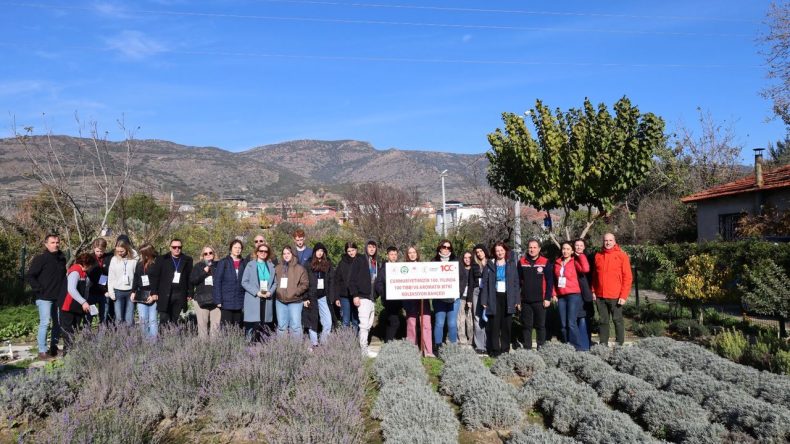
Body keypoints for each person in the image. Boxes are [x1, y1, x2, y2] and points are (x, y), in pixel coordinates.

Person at [26, 234, 66, 360]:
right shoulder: (41, 259)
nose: (56, 244)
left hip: (58, 297)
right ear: (46, 244)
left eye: (57, 242)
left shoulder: (61, 258)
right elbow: (30, 276)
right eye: (53, 242)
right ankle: (42, 351)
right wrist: (39, 289)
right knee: (45, 322)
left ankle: (53, 348)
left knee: (57, 323)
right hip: (44, 297)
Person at [480, 241, 520, 357]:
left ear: (505, 251)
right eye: (497, 250)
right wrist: (484, 301)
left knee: (506, 325)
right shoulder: (490, 264)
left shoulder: (511, 264)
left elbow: (516, 283)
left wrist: (517, 300)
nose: (500, 252)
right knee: (494, 325)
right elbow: (485, 284)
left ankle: (505, 350)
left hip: (508, 298)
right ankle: (495, 350)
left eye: (501, 250)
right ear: (494, 252)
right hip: (494, 297)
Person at [593, 233, 633, 346]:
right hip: (600, 296)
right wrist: (593, 291)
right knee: (603, 321)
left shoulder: (622, 256)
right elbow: (595, 276)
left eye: (610, 240)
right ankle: (603, 345)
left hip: (616, 296)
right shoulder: (598, 255)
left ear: (614, 242)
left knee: (618, 320)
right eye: (606, 240)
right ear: (603, 241)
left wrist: (623, 296)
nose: (608, 242)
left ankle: (619, 344)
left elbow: (628, 277)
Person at [551, 241, 589, 350]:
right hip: (561, 296)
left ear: (572, 251)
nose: (565, 251)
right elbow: (554, 280)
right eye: (563, 249)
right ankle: (567, 345)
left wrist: (579, 255)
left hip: (574, 295)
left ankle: (577, 348)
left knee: (571, 323)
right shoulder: (557, 263)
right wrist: (554, 294)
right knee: (563, 324)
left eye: (568, 249)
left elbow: (586, 269)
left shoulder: (575, 262)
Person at [516, 239, 553, 350]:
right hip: (526, 301)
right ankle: (527, 348)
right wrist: (518, 300)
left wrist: (547, 298)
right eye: (530, 247)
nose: (532, 250)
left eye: (534, 247)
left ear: (539, 249)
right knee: (527, 326)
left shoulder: (545, 262)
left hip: (540, 300)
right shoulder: (522, 262)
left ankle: (541, 346)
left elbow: (550, 281)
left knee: (540, 325)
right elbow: (517, 282)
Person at [59, 252, 97, 354]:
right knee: (68, 331)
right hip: (68, 306)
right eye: (90, 265)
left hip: (77, 306)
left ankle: (71, 352)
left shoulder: (83, 273)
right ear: (86, 264)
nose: (91, 268)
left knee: (74, 329)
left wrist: (85, 302)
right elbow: (71, 289)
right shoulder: (75, 271)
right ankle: (67, 354)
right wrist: (83, 302)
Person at [149, 238, 193, 327]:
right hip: (164, 293)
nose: (177, 249)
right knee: (164, 319)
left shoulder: (187, 260)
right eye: (174, 247)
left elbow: (189, 277)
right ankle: (162, 339)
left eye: (179, 247)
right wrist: (154, 292)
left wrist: (190, 292)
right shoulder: (162, 259)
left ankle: (173, 338)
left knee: (175, 320)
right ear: (170, 248)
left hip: (179, 294)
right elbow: (155, 277)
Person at [241, 242, 276, 341]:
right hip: (254, 298)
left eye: (266, 251)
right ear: (257, 252)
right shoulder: (250, 265)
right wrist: (257, 292)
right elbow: (244, 282)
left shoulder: (271, 266)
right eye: (261, 251)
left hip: (266, 299)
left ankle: (261, 348)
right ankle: (248, 347)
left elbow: (275, 283)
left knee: (264, 325)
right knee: (251, 325)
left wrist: (271, 292)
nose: (263, 253)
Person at [403, 246, 434, 357]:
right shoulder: (403, 267)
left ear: (417, 254)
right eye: (410, 253)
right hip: (409, 299)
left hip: (423, 299)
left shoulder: (423, 266)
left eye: (414, 252)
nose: (412, 254)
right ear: (407, 255)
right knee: (411, 324)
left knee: (426, 324)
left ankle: (428, 351)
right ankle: (411, 350)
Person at [274, 246, 309, 338]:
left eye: (288, 253)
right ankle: (282, 348)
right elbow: (274, 282)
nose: (286, 255)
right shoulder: (278, 268)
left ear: (293, 254)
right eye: (284, 253)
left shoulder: (300, 268)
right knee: (281, 326)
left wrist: (295, 292)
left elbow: (305, 284)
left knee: (295, 326)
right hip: (280, 301)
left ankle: (296, 349)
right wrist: (278, 292)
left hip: (295, 301)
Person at [304, 243, 334, 346]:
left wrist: (331, 296)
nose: (320, 253)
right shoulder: (308, 263)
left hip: (323, 297)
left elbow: (331, 280)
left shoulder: (328, 263)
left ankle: (324, 343)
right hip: (312, 297)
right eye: (318, 251)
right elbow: (305, 281)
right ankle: (314, 344)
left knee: (328, 322)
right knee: (313, 321)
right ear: (314, 252)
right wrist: (305, 297)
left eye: (322, 251)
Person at [432, 239, 460, 351]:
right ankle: (438, 346)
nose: (446, 249)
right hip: (439, 299)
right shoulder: (434, 262)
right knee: (439, 323)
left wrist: (458, 291)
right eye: (444, 247)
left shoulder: (456, 261)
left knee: (452, 323)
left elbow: (462, 279)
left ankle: (453, 347)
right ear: (440, 248)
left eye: (449, 247)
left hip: (454, 299)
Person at [213, 239, 247, 328]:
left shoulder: (244, 263)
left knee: (237, 327)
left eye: (239, 248)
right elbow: (217, 282)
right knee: (226, 327)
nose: (237, 249)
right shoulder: (224, 262)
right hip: (226, 301)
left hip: (239, 300)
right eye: (235, 247)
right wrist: (218, 300)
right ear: (231, 249)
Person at [190, 246, 220, 339]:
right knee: (202, 328)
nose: (208, 255)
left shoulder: (219, 265)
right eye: (205, 253)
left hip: (216, 300)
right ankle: (202, 350)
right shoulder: (198, 266)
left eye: (210, 253)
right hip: (201, 300)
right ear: (202, 255)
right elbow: (193, 280)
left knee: (216, 328)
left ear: (214, 254)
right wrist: (204, 272)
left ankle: (215, 350)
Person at [374, 246, 403, 342]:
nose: (394, 256)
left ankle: (388, 339)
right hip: (388, 299)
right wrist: (385, 293)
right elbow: (378, 284)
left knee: (391, 321)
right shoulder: (384, 268)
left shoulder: (400, 267)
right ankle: (388, 342)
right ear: (387, 256)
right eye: (391, 254)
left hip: (398, 300)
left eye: (395, 254)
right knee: (395, 322)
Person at [107, 240, 137, 326]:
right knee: (119, 318)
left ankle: (130, 337)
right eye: (118, 251)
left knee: (129, 319)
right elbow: (111, 277)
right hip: (118, 292)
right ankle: (120, 337)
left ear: (127, 249)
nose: (120, 253)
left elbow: (136, 276)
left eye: (122, 251)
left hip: (130, 292)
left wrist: (135, 291)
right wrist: (111, 292)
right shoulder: (114, 260)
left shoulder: (133, 260)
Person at [334, 242, 362, 331]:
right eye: (348, 251)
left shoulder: (361, 261)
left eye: (353, 250)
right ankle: (346, 342)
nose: (351, 253)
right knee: (345, 320)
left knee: (356, 320)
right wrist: (337, 297)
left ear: (356, 250)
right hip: (344, 296)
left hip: (357, 295)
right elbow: (337, 280)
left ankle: (355, 340)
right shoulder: (342, 263)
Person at [132, 244, 159, 338]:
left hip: (153, 295)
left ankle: (154, 342)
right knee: (143, 320)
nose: (141, 255)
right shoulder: (139, 264)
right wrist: (133, 291)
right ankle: (146, 342)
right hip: (141, 294)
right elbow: (136, 278)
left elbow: (159, 281)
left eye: (142, 253)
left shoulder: (156, 264)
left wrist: (155, 295)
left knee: (153, 320)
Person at [574, 238, 594, 349]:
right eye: (576, 245)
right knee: (575, 318)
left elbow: (587, 271)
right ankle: (577, 345)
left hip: (585, 292)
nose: (578, 247)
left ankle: (585, 346)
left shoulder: (588, 258)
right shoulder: (570, 258)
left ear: (584, 247)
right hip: (574, 292)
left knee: (584, 318)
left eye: (581, 245)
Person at [86, 238, 111, 325]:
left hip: (104, 293)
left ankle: (102, 334)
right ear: (94, 248)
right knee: (90, 315)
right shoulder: (89, 258)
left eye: (102, 251)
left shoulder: (108, 258)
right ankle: (87, 335)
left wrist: (105, 290)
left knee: (104, 315)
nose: (100, 253)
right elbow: (91, 275)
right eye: (97, 251)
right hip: (92, 292)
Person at [470, 244, 487, 354]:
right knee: (477, 318)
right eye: (477, 252)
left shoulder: (491, 263)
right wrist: (469, 299)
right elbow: (471, 281)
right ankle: (480, 345)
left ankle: (488, 344)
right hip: (477, 292)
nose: (479, 253)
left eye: (481, 251)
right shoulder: (474, 265)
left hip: (489, 292)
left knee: (488, 318)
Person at [456, 251, 475, 346]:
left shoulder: (475, 269)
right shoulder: (460, 269)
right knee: (460, 318)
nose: (467, 259)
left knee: (470, 318)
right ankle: (462, 339)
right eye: (465, 257)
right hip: (461, 296)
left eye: (469, 257)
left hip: (471, 297)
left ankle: (471, 339)